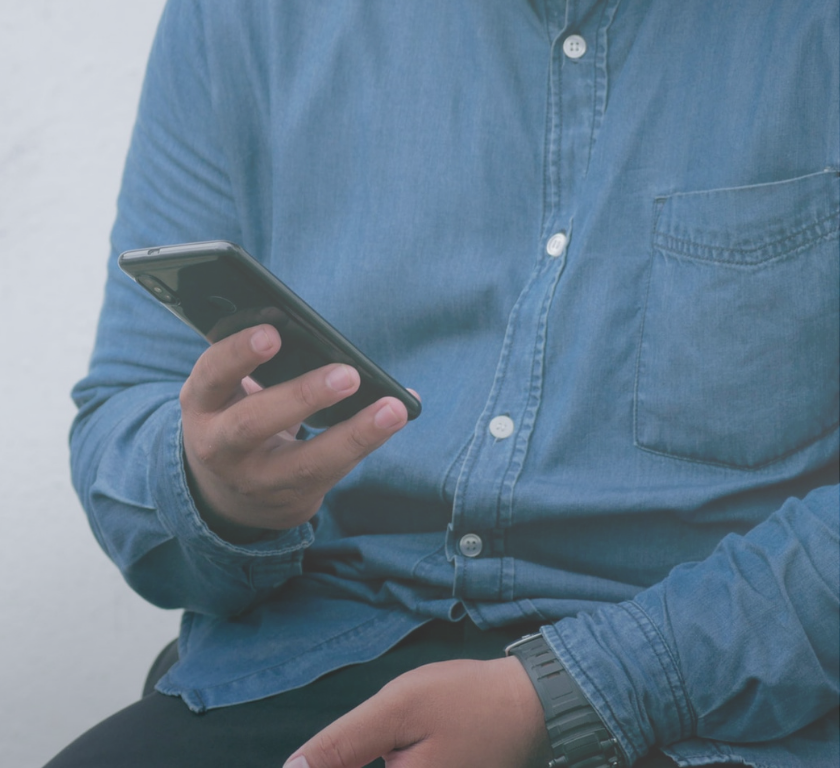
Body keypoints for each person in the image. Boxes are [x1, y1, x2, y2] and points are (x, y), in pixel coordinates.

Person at [50, 2, 839, 767]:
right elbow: (128, 401)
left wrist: (576, 691)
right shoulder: (245, 17)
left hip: (710, 696)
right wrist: (215, 492)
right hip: (319, 655)